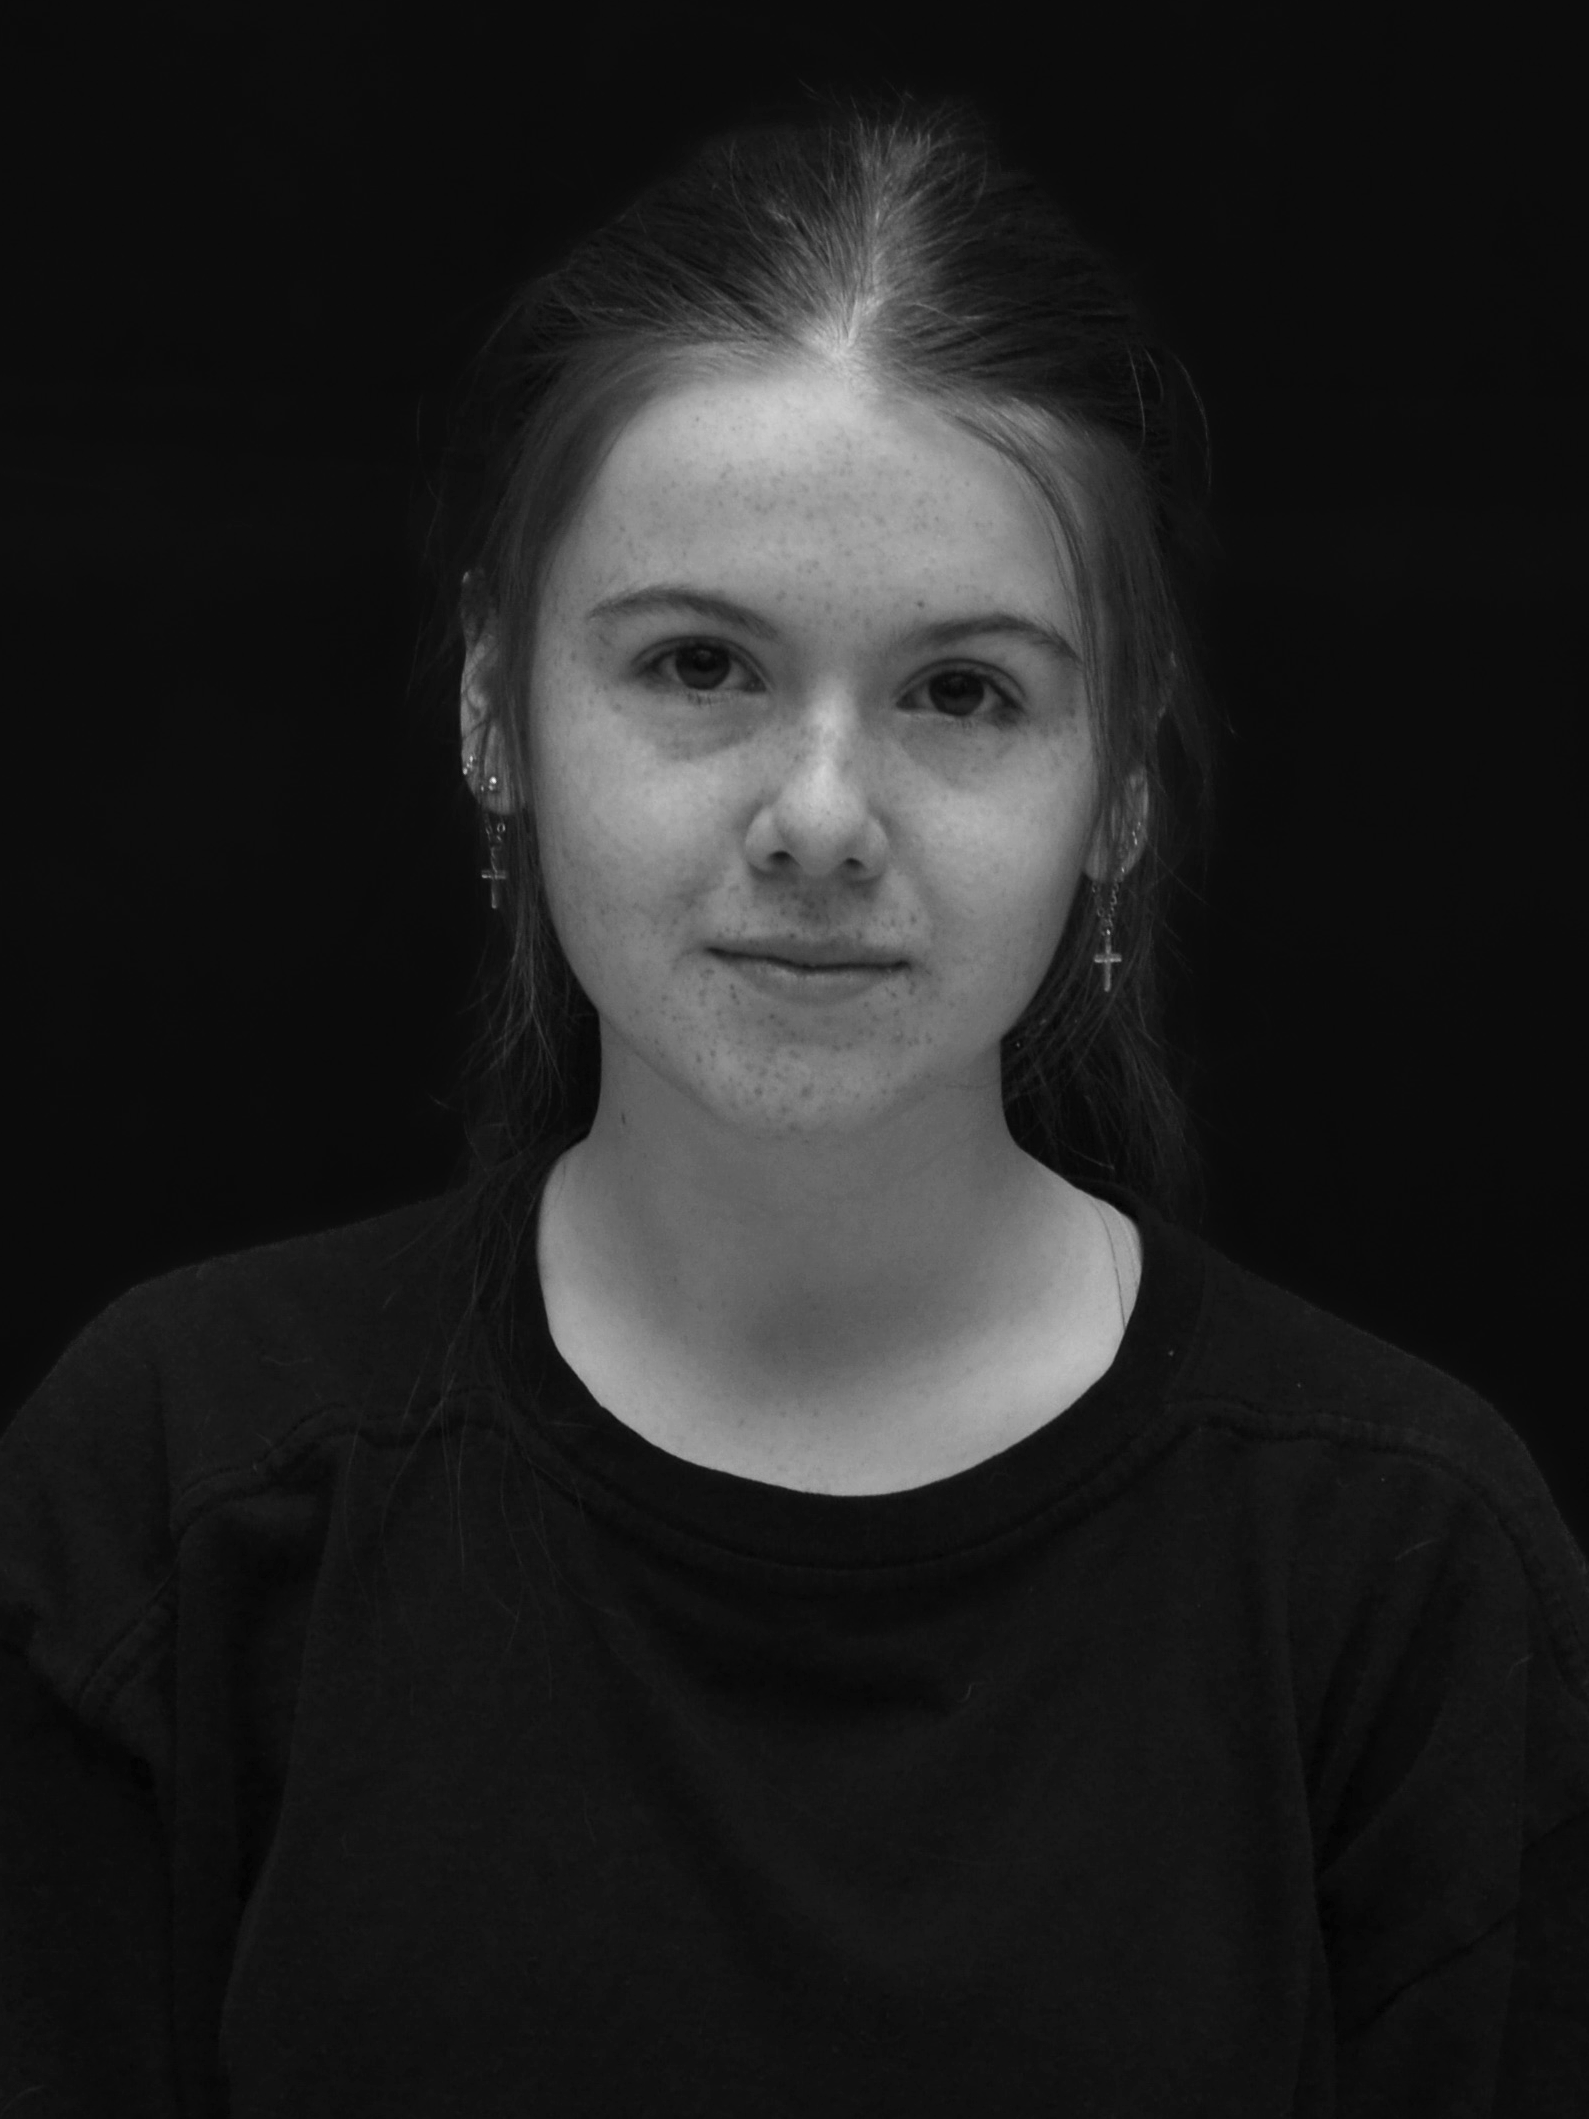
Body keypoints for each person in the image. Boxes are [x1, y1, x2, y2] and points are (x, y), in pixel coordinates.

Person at [3, 85, 1586, 2118]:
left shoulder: (1400, 1569)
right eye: (695, 666)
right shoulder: (178, 1490)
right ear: (498, 711)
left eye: (960, 693)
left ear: (1112, 785)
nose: (820, 820)